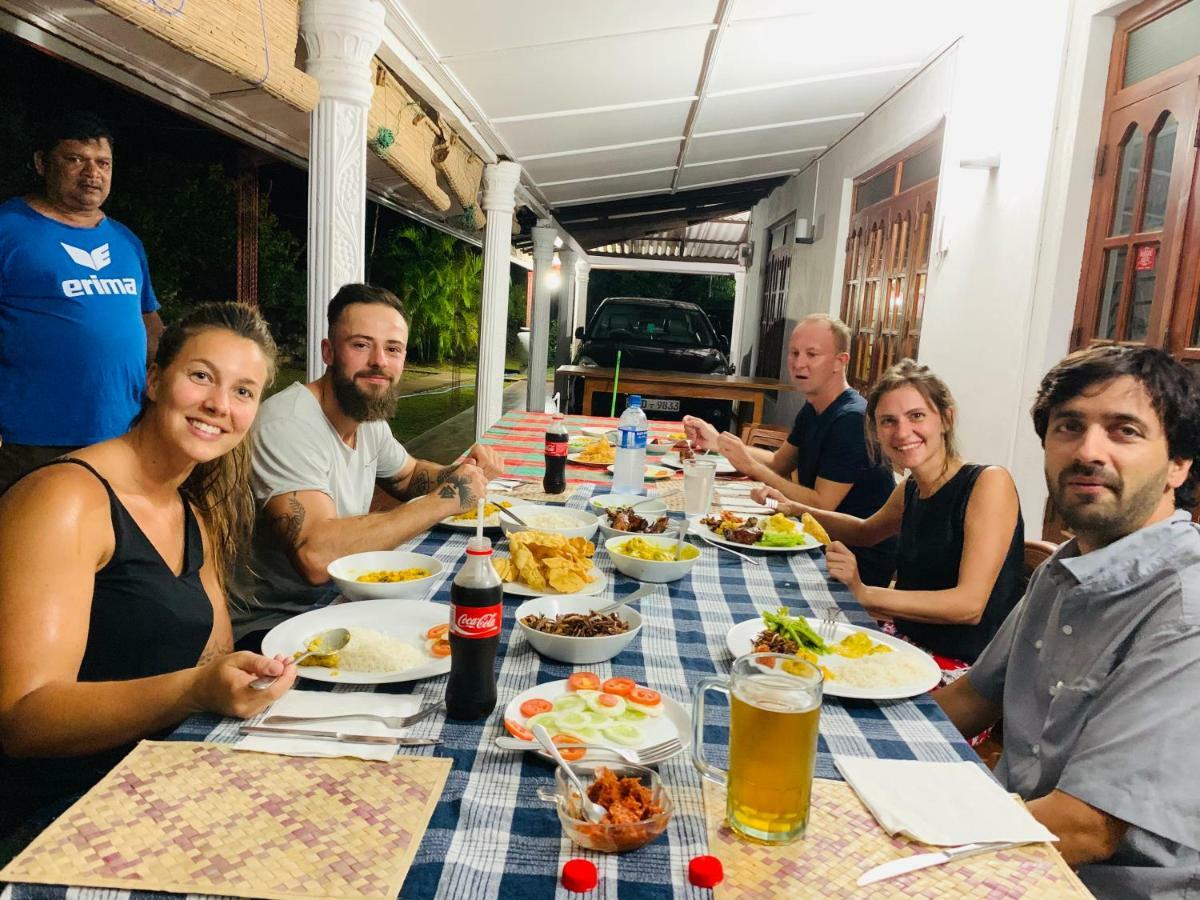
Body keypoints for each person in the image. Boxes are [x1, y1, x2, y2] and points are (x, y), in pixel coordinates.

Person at [0, 303, 297, 858]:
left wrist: (250, 677)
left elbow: (216, 655)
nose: (218, 405)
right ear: (156, 379)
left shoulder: (191, 509)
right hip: (60, 818)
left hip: (170, 777)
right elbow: (23, 718)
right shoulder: (66, 499)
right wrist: (193, 690)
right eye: (201, 376)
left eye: (243, 391)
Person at [935, 345, 1200, 897]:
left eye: (1124, 430)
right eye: (1069, 426)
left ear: (1179, 463)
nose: (1088, 451)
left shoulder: (1185, 611)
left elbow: (1088, 828)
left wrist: (907, 844)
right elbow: (971, 700)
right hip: (1010, 832)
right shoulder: (1068, 565)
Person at [232, 283, 503, 645]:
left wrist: (462, 472)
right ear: (328, 352)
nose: (379, 361)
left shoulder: (366, 416)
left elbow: (407, 476)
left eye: (392, 349)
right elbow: (315, 557)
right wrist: (446, 500)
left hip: (341, 601)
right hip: (275, 625)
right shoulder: (288, 424)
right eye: (361, 345)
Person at [755, 359, 1025, 672]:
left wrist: (865, 593)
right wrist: (795, 508)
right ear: (877, 433)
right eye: (888, 421)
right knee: (782, 655)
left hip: (967, 672)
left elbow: (968, 606)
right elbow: (864, 531)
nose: (902, 431)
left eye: (917, 416)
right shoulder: (912, 486)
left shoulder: (988, 483)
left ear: (947, 419)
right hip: (905, 642)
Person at [0, 111, 165, 494]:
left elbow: (149, 324)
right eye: (75, 160)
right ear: (42, 163)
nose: (92, 173)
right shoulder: (9, 230)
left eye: (102, 163)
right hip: (29, 442)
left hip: (121, 436)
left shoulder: (125, 241)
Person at [684, 314, 896, 585]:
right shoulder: (814, 407)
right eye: (794, 353)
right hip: (813, 537)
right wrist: (718, 443)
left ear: (840, 362)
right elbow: (776, 463)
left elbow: (821, 503)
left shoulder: (851, 419)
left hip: (851, 559)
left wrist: (750, 467)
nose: (799, 363)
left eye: (812, 354)